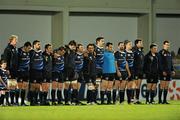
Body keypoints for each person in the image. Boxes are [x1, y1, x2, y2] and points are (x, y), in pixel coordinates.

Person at [2, 35, 18, 105]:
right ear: (11, 40)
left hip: (14, 70)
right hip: (9, 70)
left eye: (16, 40)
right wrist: (7, 69)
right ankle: (7, 101)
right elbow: (5, 60)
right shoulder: (7, 49)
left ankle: (11, 102)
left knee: (13, 86)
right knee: (9, 86)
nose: (16, 41)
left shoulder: (15, 49)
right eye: (15, 40)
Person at [29, 40, 44, 106]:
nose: (39, 45)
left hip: (40, 72)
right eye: (38, 44)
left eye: (39, 44)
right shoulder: (31, 52)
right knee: (33, 86)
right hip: (33, 71)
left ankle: (35, 100)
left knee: (38, 87)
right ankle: (31, 101)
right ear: (34, 45)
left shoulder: (41, 52)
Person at [17, 42, 32, 106]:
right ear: (25, 47)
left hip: (26, 73)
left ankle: (23, 102)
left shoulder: (29, 52)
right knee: (18, 88)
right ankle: (17, 102)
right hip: (20, 72)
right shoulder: (19, 51)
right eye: (28, 48)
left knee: (24, 88)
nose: (29, 49)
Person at [64, 40, 77, 105]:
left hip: (73, 70)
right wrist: (68, 48)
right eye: (72, 46)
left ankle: (73, 101)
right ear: (70, 45)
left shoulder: (74, 52)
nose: (74, 47)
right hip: (67, 71)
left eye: (74, 46)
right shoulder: (66, 51)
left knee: (74, 86)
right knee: (67, 86)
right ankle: (67, 101)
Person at [133, 39, 144, 104]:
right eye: (140, 42)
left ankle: (137, 99)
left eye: (141, 42)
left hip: (141, 71)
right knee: (135, 85)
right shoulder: (134, 51)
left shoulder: (142, 51)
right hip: (136, 70)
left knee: (139, 86)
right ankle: (132, 99)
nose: (141, 43)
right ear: (136, 44)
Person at [124, 40, 134, 104]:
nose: (131, 45)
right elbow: (124, 62)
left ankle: (129, 100)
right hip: (125, 70)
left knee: (130, 86)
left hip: (132, 70)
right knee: (123, 85)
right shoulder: (124, 52)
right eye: (129, 44)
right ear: (126, 45)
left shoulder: (132, 52)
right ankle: (119, 98)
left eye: (131, 44)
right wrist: (128, 71)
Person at [95, 37, 105, 104]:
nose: (103, 42)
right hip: (97, 69)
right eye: (102, 41)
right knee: (96, 85)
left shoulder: (103, 50)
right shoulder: (95, 49)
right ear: (98, 42)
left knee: (102, 85)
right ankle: (93, 100)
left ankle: (102, 101)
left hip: (103, 69)